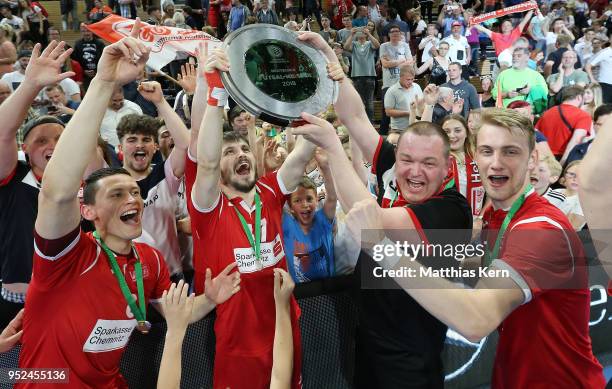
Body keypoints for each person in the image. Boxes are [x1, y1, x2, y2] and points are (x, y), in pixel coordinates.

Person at [18, 26, 239, 388]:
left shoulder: (148, 260)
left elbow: (177, 312)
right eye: (116, 194)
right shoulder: (66, 256)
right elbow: (57, 194)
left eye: (133, 192)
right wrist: (103, 83)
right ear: (87, 212)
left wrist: (209, 300)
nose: (132, 198)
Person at [342, 108, 606, 388]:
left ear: (533, 160)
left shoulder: (540, 229)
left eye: (510, 152)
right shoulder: (496, 215)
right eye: (487, 151)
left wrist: (381, 247)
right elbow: (467, 274)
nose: (496, 163)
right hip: (514, 376)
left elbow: (475, 320)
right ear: (473, 157)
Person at [295, 31, 472, 388]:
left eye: (427, 163)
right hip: (366, 336)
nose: (413, 171)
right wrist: (332, 59)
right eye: (406, 159)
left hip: (410, 354)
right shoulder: (395, 164)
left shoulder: (451, 211)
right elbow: (357, 117)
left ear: (447, 169)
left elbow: (368, 220)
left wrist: (331, 144)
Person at [185, 46, 313, 388]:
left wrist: (311, 99)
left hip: (286, 326)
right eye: (230, 151)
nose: (241, 154)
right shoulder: (208, 209)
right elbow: (206, 163)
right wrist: (215, 92)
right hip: (240, 344)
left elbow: (302, 156)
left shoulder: (270, 191)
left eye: (244, 149)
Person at [117, 81, 190, 280]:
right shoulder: (110, 181)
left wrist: (160, 102)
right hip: (125, 280)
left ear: (156, 147)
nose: (140, 145)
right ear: (120, 148)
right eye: (132, 140)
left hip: (170, 276)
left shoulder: (166, 175)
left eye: (146, 140)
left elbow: (184, 144)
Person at [282, 151, 337, 283]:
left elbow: (332, 197)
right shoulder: (287, 225)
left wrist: (326, 168)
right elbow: (271, 199)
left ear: (317, 200)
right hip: (300, 293)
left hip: (329, 289)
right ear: (289, 206)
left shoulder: (323, 219)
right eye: (298, 201)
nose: (305, 205)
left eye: (309, 199)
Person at [441, 114, 484, 217]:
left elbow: (492, 193)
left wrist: (480, 218)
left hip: (477, 222)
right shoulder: (437, 160)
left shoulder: (479, 157)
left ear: (466, 133)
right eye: (446, 131)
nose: (452, 135)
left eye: (457, 130)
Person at [535, 85, 591, 164]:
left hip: (542, 157)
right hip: (561, 158)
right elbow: (575, 141)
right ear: (579, 97)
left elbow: (536, 134)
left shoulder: (548, 112)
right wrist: (562, 163)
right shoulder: (583, 116)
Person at [492, 47, 548, 113]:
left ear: (527, 58)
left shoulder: (536, 75)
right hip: (507, 114)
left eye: (519, 56)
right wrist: (507, 94)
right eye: (513, 56)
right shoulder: (503, 74)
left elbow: (545, 92)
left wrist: (530, 90)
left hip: (528, 115)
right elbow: (494, 94)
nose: (515, 58)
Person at [379, 24, 413, 135]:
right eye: (392, 31)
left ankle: (406, 135)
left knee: (405, 109)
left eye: (397, 31)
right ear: (389, 34)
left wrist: (391, 61)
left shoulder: (405, 45)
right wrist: (400, 61)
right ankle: (383, 138)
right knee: (386, 114)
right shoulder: (384, 46)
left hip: (403, 84)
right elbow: (384, 64)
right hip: (388, 84)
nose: (395, 33)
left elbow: (410, 63)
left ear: (400, 33)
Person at [344, 26, 380, 121]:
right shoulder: (354, 44)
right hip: (357, 76)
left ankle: (371, 123)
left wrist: (368, 34)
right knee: (359, 101)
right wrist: (351, 34)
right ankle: (362, 122)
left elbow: (377, 45)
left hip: (370, 75)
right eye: (359, 31)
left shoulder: (369, 43)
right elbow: (346, 47)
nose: (361, 32)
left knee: (369, 101)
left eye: (363, 30)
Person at [384, 65, 423, 131]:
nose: (410, 82)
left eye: (412, 79)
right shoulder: (392, 90)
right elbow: (388, 112)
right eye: (408, 79)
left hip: (416, 127)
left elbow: (422, 104)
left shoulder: (417, 87)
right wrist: (408, 113)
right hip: (399, 129)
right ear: (400, 77)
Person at [71, 23, 105, 90]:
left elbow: (104, 58)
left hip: (98, 75)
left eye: (88, 30)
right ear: (81, 32)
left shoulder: (100, 43)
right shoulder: (78, 44)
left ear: (92, 31)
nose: (86, 33)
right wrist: (84, 71)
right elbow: (76, 60)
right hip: (84, 76)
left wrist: (96, 71)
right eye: (83, 31)